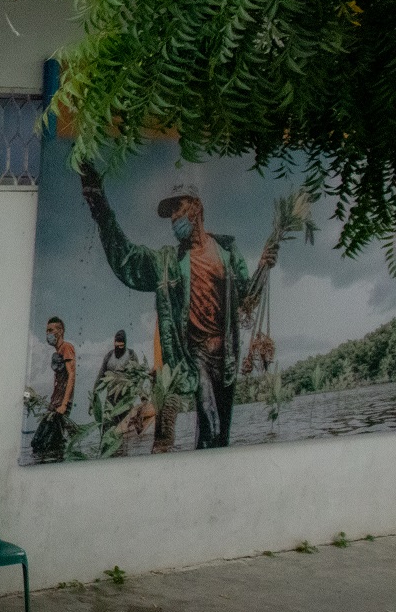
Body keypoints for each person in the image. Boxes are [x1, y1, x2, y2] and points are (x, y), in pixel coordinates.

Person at [79, 168, 275, 452]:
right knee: (210, 422)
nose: (173, 218)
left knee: (221, 438)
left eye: (178, 209)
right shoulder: (167, 262)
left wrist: (263, 266)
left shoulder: (228, 251)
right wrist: (99, 205)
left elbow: (246, 297)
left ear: (196, 207)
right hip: (196, 357)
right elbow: (127, 260)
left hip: (228, 357)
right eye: (170, 213)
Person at [29, 316, 77, 463]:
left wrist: (64, 404)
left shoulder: (66, 348)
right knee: (40, 442)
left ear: (60, 331)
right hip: (54, 404)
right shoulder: (56, 353)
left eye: (51, 330)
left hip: (61, 406)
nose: (48, 334)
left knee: (45, 443)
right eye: (46, 331)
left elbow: (71, 375)